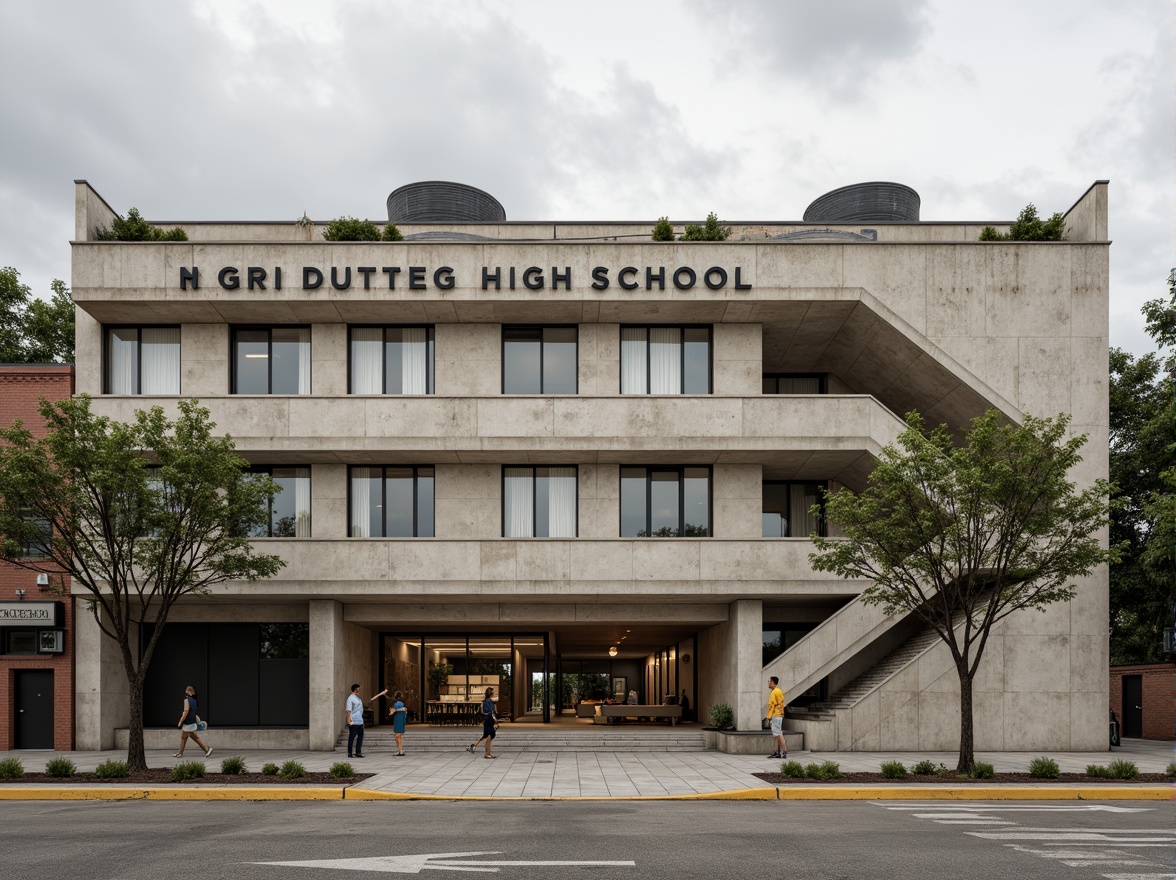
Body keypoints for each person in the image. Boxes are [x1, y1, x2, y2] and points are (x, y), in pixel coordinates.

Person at [174, 685, 212, 758]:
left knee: (190, 737)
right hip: (192, 722)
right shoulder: (195, 701)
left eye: (186, 691)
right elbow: (194, 713)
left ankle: (207, 749)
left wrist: (180, 721)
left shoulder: (186, 700)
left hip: (188, 722)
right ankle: (180, 753)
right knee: (186, 737)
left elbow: (186, 711)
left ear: (189, 691)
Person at [466, 686, 499, 758]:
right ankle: (487, 753)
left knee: (488, 736)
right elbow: (491, 713)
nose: (496, 693)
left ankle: (485, 751)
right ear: (491, 693)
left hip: (488, 721)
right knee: (489, 737)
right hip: (489, 721)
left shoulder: (488, 701)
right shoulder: (488, 702)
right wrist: (495, 722)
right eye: (494, 691)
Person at [766, 675, 786, 759]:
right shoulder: (778, 691)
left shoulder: (774, 692)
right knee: (777, 734)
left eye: (769, 681)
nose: (768, 683)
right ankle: (777, 752)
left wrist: (769, 717)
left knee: (778, 734)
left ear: (773, 683)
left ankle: (784, 751)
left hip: (775, 715)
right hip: (779, 715)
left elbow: (771, 705)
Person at [345, 683, 365, 758]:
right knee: (352, 737)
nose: (359, 690)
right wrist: (349, 720)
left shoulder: (358, 698)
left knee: (360, 737)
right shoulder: (350, 698)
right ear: (355, 689)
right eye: (358, 689)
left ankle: (358, 752)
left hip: (360, 720)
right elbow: (348, 710)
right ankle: (350, 752)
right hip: (354, 720)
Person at [390, 691, 408, 756]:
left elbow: (393, 710)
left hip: (398, 720)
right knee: (398, 736)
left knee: (398, 736)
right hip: (401, 720)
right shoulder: (402, 704)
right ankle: (400, 750)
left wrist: (392, 711)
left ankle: (400, 751)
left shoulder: (397, 704)